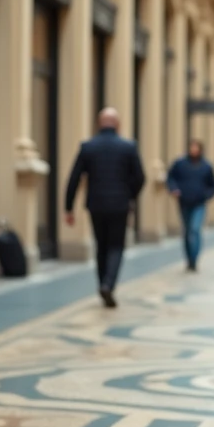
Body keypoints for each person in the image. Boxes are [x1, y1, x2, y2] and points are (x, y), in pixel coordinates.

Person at [64, 107, 145, 308]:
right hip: (120, 204)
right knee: (116, 246)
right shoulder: (128, 147)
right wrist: (130, 196)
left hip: (96, 204)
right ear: (117, 124)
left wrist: (68, 207)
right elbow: (141, 177)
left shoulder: (88, 147)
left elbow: (74, 178)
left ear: (99, 123)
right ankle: (109, 283)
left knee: (101, 246)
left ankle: (102, 283)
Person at [166, 140, 214, 271]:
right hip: (184, 202)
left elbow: (213, 185)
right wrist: (174, 189)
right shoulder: (180, 164)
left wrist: (206, 195)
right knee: (187, 231)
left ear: (200, 149)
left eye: (196, 147)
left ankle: (194, 259)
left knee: (194, 230)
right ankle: (189, 259)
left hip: (199, 203)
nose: (193, 150)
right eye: (191, 147)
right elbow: (171, 178)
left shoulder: (206, 166)